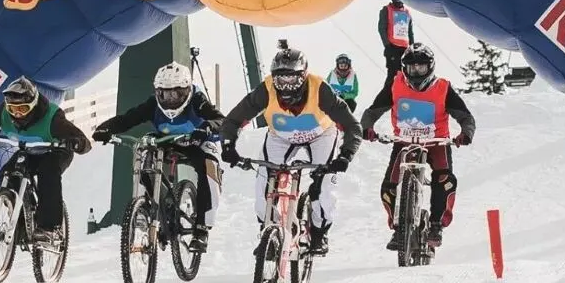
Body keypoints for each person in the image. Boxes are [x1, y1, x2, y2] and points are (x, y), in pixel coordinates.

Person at [219, 43, 362, 257]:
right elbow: (234, 119)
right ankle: (270, 230)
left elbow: (352, 126)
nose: (285, 86)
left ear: (303, 76)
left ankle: (319, 233)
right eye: (280, 79)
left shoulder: (320, 89)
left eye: (292, 79)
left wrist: (345, 155)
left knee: (323, 188)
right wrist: (228, 145)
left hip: (320, 134)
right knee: (264, 184)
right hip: (281, 135)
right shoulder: (265, 90)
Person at [91, 62, 224, 251]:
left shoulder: (197, 99)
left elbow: (220, 119)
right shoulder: (153, 104)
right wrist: (106, 128)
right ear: (157, 92)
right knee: (143, 152)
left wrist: (207, 128)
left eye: (176, 93)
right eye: (164, 94)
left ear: (187, 90)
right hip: (167, 140)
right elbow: (129, 118)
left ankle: (202, 229)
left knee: (209, 168)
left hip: (196, 140)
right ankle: (157, 208)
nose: (170, 99)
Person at [359, 44, 476, 250]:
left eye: (421, 68)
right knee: (389, 186)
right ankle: (398, 229)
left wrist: (465, 134)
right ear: (404, 68)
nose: (416, 72)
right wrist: (367, 128)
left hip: (436, 142)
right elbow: (372, 111)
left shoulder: (443, 88)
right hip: (404, 142)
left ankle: (436, 225)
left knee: (445, 180)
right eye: (411, 68)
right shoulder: (395, 85)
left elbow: (465, 117)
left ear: (430, 67)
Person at [0, 77, 91, 245]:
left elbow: (83, 141)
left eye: (23, 109)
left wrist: (78, 142)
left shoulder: (52, 117)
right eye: (13, 109)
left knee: (48, 173)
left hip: (56, 151)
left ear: (33, 105)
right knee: (8, 173)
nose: (17, 114)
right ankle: (20, 222)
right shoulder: (3, 113)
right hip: (30, 151)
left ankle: (50, 227)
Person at [377, 0, 415, 80]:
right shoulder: (386, 10)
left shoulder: (407, 12)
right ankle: (388, 92)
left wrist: (412, 48)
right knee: (393, 77)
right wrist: (387, 46)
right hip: (392, 48)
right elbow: (381, 29)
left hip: (405, 50)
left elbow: (410, 32)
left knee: (405, 76)